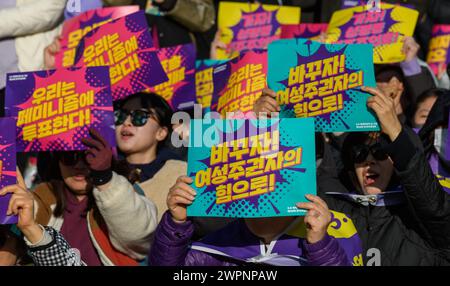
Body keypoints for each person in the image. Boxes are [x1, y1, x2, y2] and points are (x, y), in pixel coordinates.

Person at [148, 177, 358, 266]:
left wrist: (320, 245)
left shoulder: (329, 232)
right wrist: (175, 223)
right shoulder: (218, 245)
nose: (258, 192)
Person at [31, 128, 158, 266]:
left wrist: (105, 180)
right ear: (57, 161)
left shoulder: (125, 192)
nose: (79, 165)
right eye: (69, 157)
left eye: (89, 156)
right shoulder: (41, 197)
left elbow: (141, 240)